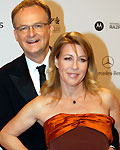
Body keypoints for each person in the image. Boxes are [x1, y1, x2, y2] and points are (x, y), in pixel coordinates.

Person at [0, 31, 120, 150]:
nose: (75, 66)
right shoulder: (42, 104)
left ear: (88, 64)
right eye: (68, 58)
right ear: (56, 61)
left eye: (82, 59)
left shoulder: (106, 98)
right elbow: (5, 135)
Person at [0, 0, 53, 149]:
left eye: (38, 26)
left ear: (50, 28)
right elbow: (2, 133)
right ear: (16, 35)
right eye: (23, 28)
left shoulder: (73, 67)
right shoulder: (3, 77)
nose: (31, 34)